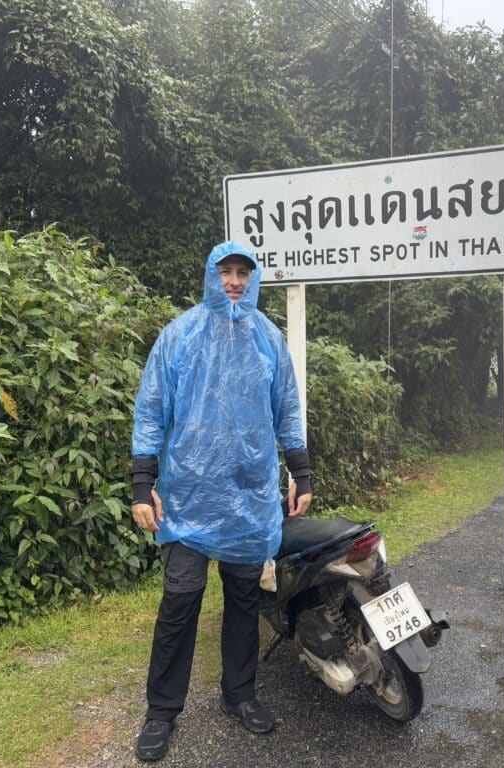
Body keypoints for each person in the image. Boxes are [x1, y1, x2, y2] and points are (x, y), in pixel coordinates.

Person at [130, 241, 313, 762]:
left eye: (243, 273)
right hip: (187, 498)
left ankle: (240, 695)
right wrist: (144, 484)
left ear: (254, 280)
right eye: (226, 272)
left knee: (243, 600)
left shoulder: (268, 339)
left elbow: (287, 410)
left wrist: (300, 472)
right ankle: (162, 711)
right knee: (181, 598)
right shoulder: (180, 336)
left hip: (250, 495)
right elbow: (150, 409)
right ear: (212, 276)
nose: (234, 281)